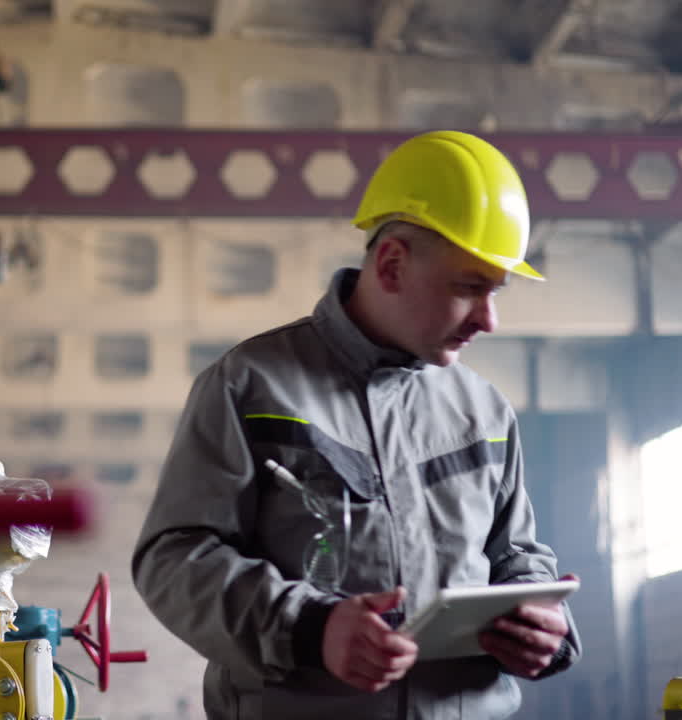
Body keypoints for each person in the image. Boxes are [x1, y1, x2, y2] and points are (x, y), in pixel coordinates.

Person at [131, 130, 581, 719]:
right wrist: (310, 628)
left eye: (496, 291)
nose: (489, 319)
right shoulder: (251, 386)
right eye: (470, 287)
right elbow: (174, 560)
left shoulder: (485, 413)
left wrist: (545, 626)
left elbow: (515, 553)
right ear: (391, 264)